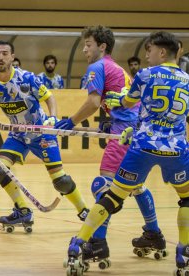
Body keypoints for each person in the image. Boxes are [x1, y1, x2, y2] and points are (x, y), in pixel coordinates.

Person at [65, 31, 189, 275]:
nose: (147, 56)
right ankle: (184, 251)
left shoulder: (144, 75)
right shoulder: (187, 79)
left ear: (162, 52)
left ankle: (79, 244)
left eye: (150, 50)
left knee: (111, 195)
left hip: (142, 146)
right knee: (186, 199)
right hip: (176, 149)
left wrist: (115, 100)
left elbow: (128, 102)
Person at [54, 25, 163, 267]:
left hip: (123, 135)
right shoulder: (118, 68)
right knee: (134, 185)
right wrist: (108, 122)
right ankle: (154, 235)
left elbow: (93, 101)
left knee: (102, 185)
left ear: (102, 46)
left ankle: (98, 245)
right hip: (137, 132)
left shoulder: (97, 67)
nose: (84, 50)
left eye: (88, 44)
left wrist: (71, 122)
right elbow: (124, 102)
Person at [0, 40, 89, 230]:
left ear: (12, 57)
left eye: (5, 53)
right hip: (18, 135)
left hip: (42, 134)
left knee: (60, 181)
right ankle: (23, 210)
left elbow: (49, 97)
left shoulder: (27, 78)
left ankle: (84, 211)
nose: (0, 57)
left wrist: (52, 119)